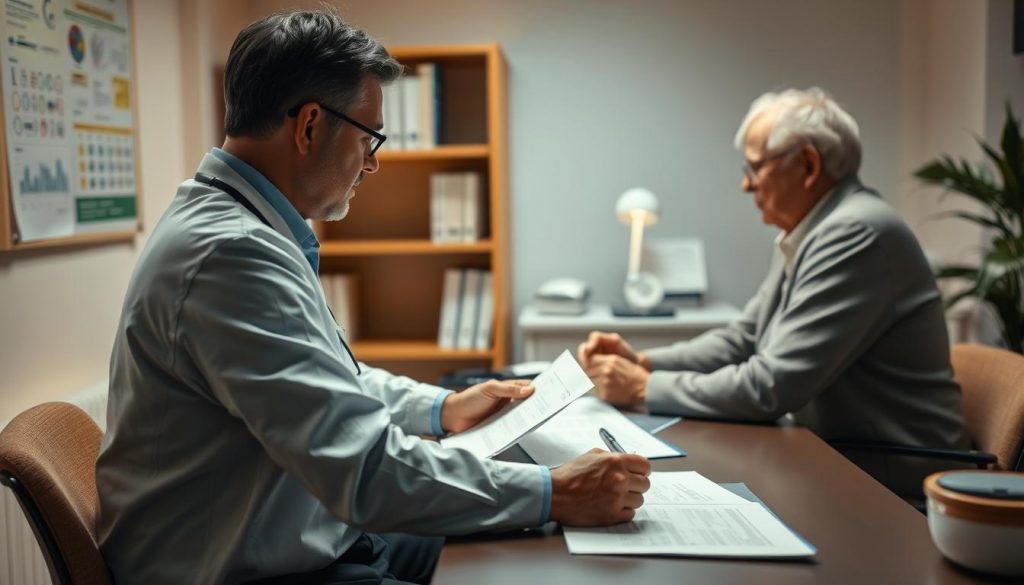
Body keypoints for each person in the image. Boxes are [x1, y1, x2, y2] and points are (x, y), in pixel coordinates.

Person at [96, 9, 650, 584]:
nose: (372, 162)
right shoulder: (232, 256)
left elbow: (326, 385)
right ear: (310, 126)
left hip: (299, 533)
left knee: (521, 544)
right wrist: (552, 491)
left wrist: (439, 409)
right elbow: (361, 468)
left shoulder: (239, 227)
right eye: (368, 138)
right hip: (251, 571)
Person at [578, 87, 967, 496]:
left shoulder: (855, 233)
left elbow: (771, 386)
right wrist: (645, 362)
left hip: (891, 475)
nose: (746, 185)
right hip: (841, 453)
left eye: (755, 167)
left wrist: (642, 387)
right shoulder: (812, 230)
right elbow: (743, 339)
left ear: (808, 164)